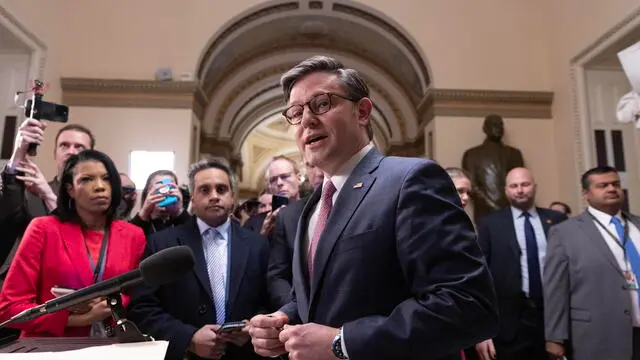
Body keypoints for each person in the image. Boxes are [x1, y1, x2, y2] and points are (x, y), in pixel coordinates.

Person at [248, 55, 498, 360]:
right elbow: (327, 297)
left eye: (322, 104)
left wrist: (344, 342)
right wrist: (286, 320)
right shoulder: (311, 207)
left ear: (363, 111)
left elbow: (469, 304)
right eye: (296, 113)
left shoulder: (410, 180)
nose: (307, 120)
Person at [128, 158, 269, 360]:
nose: (214, 196)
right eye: (205, 190)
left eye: (221, 189)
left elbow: (267, 301)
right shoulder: (162, 243)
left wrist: (253, 326)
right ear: (192, 197)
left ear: (232, 196)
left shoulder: (258, 245)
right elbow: (142, 307)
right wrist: (188, 338)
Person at [0, 149, 146, 338]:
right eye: (87, 179)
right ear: (70, 190)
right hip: (50, 346)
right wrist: (79, 318)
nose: (100, 186)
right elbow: (10, 308)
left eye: (107, 178)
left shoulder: (133, 235)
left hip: (111, 344)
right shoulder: (43, 229)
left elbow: (138, 298)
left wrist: (111, 304)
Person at [544, 166, 640, 360]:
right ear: (586, 194)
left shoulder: (637, 224)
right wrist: (554, 337)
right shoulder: (565, 233)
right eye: (602, 185)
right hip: (600, 333)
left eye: (615, 184)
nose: (611, 189)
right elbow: (555, 288)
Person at [475, 168, 567, 360]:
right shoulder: (490, 224)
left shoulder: (557, 220)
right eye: (514, 186)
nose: (520, 190)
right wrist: (483, 328)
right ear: (506, 190)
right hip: (509, 323)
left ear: (534, 187)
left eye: (525, 185)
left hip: (550, 316)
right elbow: (480, 275)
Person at [129, 170, 190, 236]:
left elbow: (195, 235)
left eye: (170, 188)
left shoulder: (182, 221)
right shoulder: (140, 222)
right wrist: (144, 212)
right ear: (147, 193)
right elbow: (127, 238)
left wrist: (179, 212)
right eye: (158, 189)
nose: (165, 193)